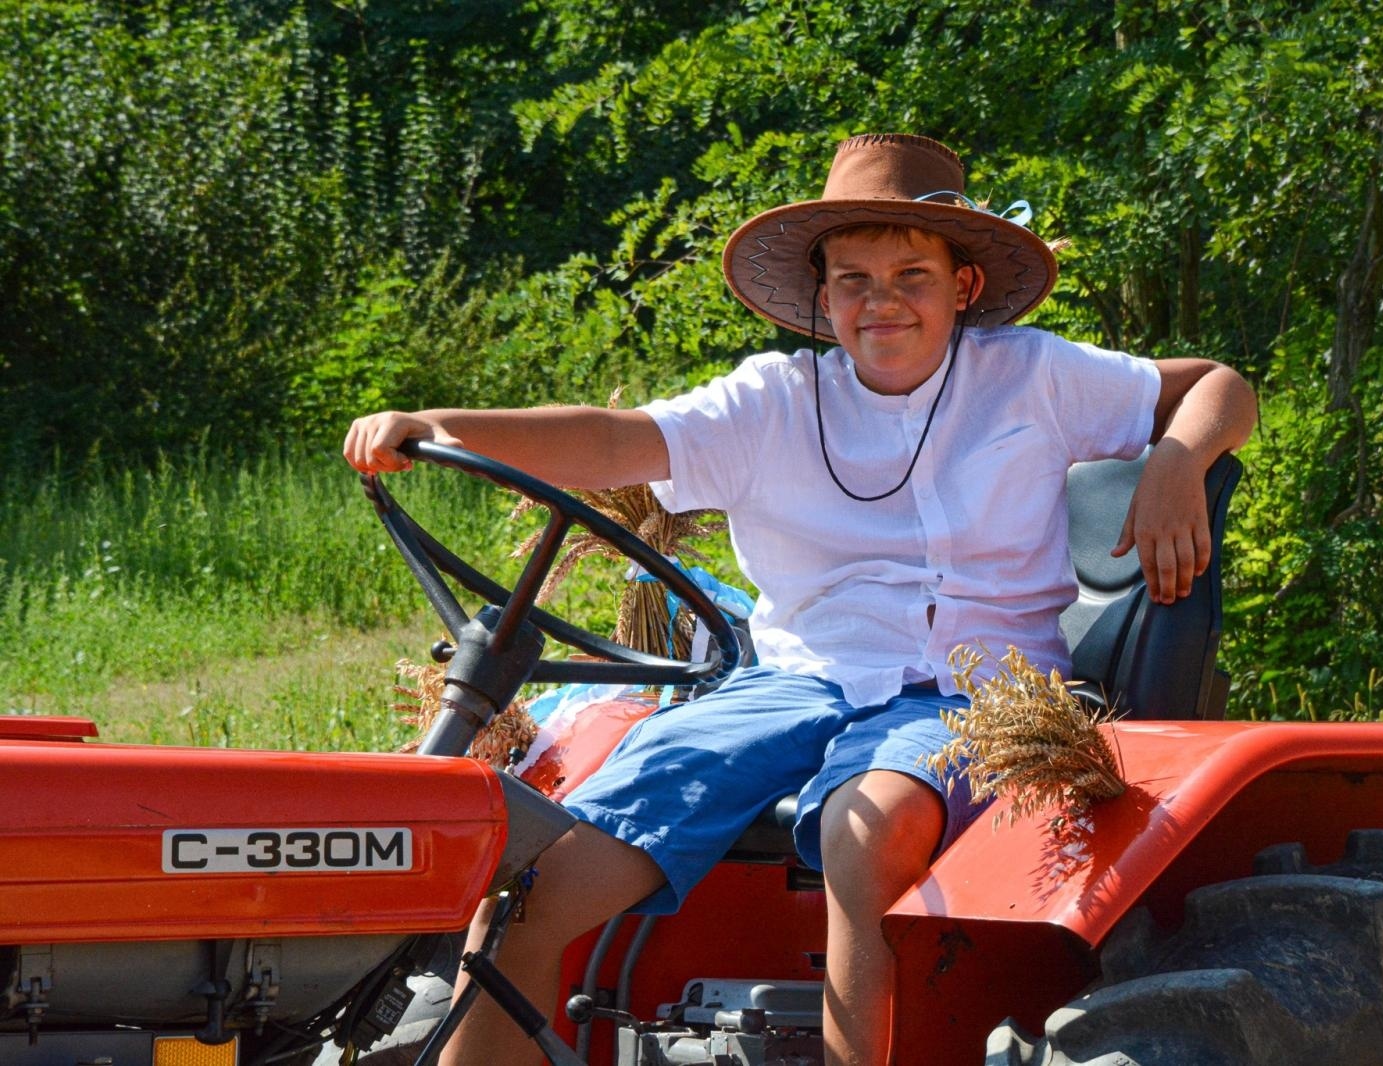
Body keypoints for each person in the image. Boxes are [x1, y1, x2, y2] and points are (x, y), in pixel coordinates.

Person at [344, 132, 1256, 1065]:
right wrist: (442, 425)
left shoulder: (1034, 376)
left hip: (980, 691)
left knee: (865, 828)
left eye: (911, 273)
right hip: (797, 683)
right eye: (854, 278)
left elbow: (1220, 386)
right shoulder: (771, 400)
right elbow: (616, 441)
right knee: (534, 876)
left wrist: (1179, 462)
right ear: (823, 296)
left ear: (963, 287)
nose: (881, 301)